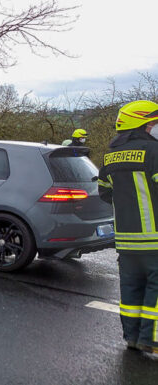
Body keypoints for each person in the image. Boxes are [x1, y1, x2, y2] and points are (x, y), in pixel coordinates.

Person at [97, 100, 158, 359]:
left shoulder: (110, 157)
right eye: (154, 123)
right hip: (155, 239)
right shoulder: (155, 152)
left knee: (131, 290)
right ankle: (151, 340)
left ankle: (132, 338)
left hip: (126, 240)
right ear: (142, 124)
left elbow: (104, 193)